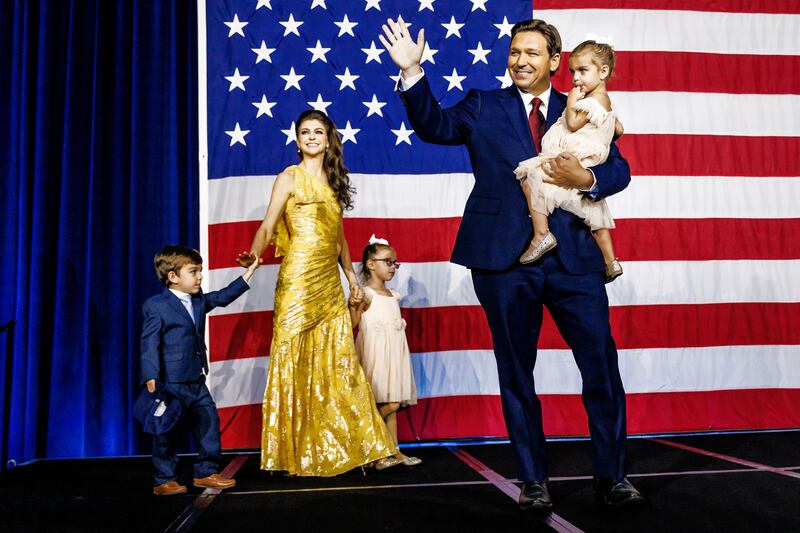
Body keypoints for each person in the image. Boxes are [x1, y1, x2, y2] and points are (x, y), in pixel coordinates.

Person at [380, 17, 643, 508]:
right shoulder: (484, 103)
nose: (520, 61)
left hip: (574, 260)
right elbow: (435, 127)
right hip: (504, 260)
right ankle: (532, 480)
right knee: (516, 372)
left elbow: (619, 170)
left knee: (601, 369)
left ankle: (612, 478)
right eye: (514, 52)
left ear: (555, 62)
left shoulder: (583, 106)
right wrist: (413, 73)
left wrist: (585, 176)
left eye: (532, 53)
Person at [236, 110, 400, 476]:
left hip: (328, 281)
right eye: (305, 132)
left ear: (328, 140)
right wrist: (254, 253)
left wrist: (352, 279)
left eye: (318, 132)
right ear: (297, 140)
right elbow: (267, 224)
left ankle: (358, 446)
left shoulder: (334, 183)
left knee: (339, 360)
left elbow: (339, 238)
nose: (311, 137)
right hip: (297, 280)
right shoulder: (288, 178)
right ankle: (292, 453)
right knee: (294, 356)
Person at [140, 244, 259, 495]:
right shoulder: (156, 305)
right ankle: (164, 478)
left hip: (196, 379)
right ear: (173, 277)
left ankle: (206, 472)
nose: (200, 276)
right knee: (167, 431)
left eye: (200, 271)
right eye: (193, 271)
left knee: (209, 422)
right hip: (171, 382)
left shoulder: (198, 300)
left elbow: (224, 296)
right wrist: (150, 374)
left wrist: (251, 271)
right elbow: (150, 342)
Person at [515, 39, 624, 283]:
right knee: (596, 218)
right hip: (584, 158)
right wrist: (611, 128)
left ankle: (541, 233)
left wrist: (572, 100)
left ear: (603, 72)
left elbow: (573, 123)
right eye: (573, 71)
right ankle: (611, 261)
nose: (575, 78)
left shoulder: (584, 102)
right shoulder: (606, 103)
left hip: (573, 160)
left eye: (583, 71)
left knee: (529, 178)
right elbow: (619, 128)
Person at [349, 235, 421, 468]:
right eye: (388, 262)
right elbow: (351, 324)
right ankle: (366, 447)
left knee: (393, 403)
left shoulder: (393, 295)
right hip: (374, 353)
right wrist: (352, 306)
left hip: (393, 354)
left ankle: (393, 451)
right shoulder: (364, 294)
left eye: (395, 263)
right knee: (387, 404)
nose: (393, 267)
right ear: (370, 264)